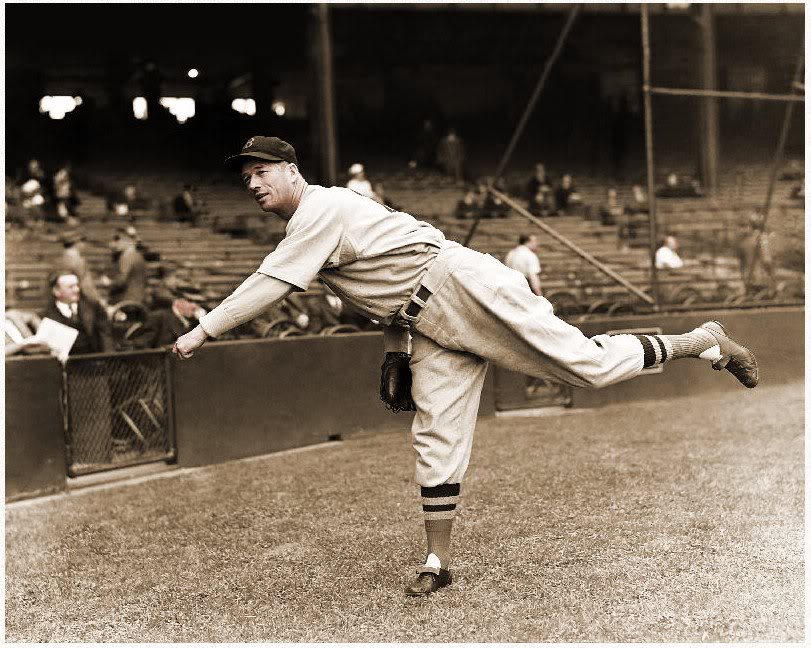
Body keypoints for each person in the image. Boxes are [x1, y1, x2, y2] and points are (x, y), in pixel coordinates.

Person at [172, 135, 759, 597]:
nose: (252, 182)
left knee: (586, 366)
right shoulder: (316, 222)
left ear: (292, 170)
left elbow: (268, 282)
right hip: (427, 318)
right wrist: (395, 350)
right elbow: (382, 283)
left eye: (262, 170)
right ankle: (437, 560)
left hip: (463, 284)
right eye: (246, 176)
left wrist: (203, 329)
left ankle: (699, 339)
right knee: (436, 434)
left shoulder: (320, 208)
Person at [43, 270, 113, 355]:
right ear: (56, 291)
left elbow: (106, 335)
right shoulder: (47, 316)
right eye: (71, 287)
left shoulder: (93, 307)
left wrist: (110, 360)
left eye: (77, 285)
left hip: (94, 362)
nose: (77, 289)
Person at [56, 231, 103, 304]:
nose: (84, 244)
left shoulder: (62, 257)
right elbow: (86, 284)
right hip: (77, 298)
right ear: (76, 243)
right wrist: (98, 300)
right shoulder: (77, 259)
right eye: (83, 241)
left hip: (62, 297)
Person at [107, 228, 147, 305]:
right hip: (138, 298)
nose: (115, 243)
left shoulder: (127, 256)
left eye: (118, 240)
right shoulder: (137, 255)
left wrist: (109, 283)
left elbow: (121, 281)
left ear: (126, 240)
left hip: (127, 300)